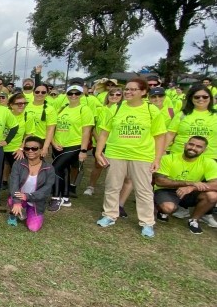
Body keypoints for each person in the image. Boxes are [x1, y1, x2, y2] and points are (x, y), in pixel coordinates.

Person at [95, 78, 167, 238]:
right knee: (112, 186)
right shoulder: (115, 108)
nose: (128, 92)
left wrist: (157, 159)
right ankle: (109, 215)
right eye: (126, 89)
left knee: (144, 190)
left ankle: (147, 223)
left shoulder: (152, 110)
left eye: (133, 89)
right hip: (116, 153)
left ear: (143, 92)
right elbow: (104, 132)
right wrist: (98, 152)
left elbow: (160, 137)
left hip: (142, 155)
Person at [153, 136, 217, 234]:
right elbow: (159, 181)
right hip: (167, 190)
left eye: (199, 146)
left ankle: (193, 220)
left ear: (204, 150)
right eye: (191, 144)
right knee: (168, 208)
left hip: (192, 191)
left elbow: (215, 184)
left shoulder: (209, 162)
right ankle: (162, 209)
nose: (193, 148)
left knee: (212, 195)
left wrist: (192, 187)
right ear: (185, 145)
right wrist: (189, 183)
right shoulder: (168, 158)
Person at [47, 84, 94, 211]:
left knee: (55, 168)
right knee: (64, 170)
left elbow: (86, 131)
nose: (73, 96)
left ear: (81, 95)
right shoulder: (63, 108)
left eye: (76, 93)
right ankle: (65, 197)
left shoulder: (84, 109)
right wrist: (53, 142)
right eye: (70, 93)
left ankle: (56, 197)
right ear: (66, 95)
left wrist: (83, 150)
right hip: (58, 145)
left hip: (74, 145)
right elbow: (53, 127)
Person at [7, 136, 56, 232]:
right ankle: (13, 214)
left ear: (41, 150)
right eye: (27, 148)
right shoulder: (18, 164)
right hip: (19, 197)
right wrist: (17, 201)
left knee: (33, 228)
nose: (30, 151)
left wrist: (28, 196)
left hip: (36, 201)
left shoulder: (49, 168)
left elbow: (46, 190)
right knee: (11, 200)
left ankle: (28, 212)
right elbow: (14, 184)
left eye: (34, 148)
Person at [166, 85, 217, 160]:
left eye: (205, 97)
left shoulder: (215, 115)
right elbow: (170, 134)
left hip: (209, 158)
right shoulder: (182, 114)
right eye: (197, 97)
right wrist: (162, 151)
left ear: (210, 98)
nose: (201, 99)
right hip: (180, 156)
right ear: (191, 98)